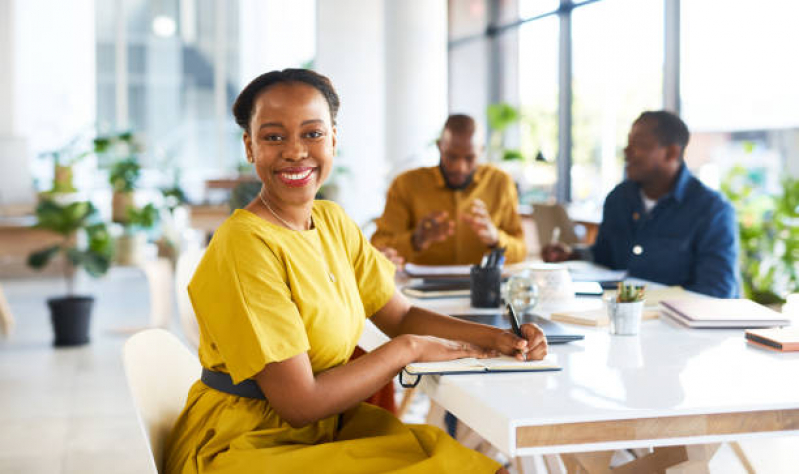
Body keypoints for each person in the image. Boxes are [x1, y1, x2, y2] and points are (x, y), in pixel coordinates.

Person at [164, 69, 547, 474]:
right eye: (274, 136)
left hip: (326, 429)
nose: (295, 151)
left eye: (312, 133)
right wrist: (409, 349)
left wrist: (500, 339)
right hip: (249, 442)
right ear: (249, 146)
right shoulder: (245, 245)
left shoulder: (331, 220)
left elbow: (400, 315)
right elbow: (299, 403)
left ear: (333, 138)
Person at [543, 110, 739, 298]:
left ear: (671, 153)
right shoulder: (619, 199)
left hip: (680, 326)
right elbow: (605, 257)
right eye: (628, 144)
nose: (627, 152)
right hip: (622, 321)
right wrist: (572, 255)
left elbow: (716, 291)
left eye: (639, 145)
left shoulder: (713, 211)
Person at [370, 114, 526, 266]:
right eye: (451, 156)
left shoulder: (500, 182)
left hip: (485, 286)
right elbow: (378, 247)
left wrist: (495, 238)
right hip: (419, 288)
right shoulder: (406, 184)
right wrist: (416, 240)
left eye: (469, 158)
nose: (459, 167)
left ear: (481, 151)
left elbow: (521, 251)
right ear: (440, 147)